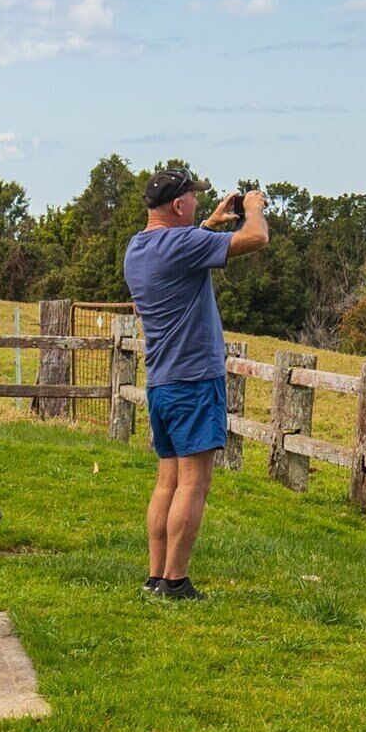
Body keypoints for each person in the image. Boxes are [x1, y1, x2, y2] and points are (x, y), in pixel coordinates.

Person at [122, 169, 265, 601]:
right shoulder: (183, 244)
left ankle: (155, 576)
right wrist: (252, 210)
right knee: (194, 483)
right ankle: (177, 581)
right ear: (179, 205)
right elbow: (255, 239)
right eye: (194, 198)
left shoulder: (138, 247)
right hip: (194, 379)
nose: (200, 203)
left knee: (167, 481)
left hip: (162, 381)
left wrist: (209, 225)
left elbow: (178, 249)